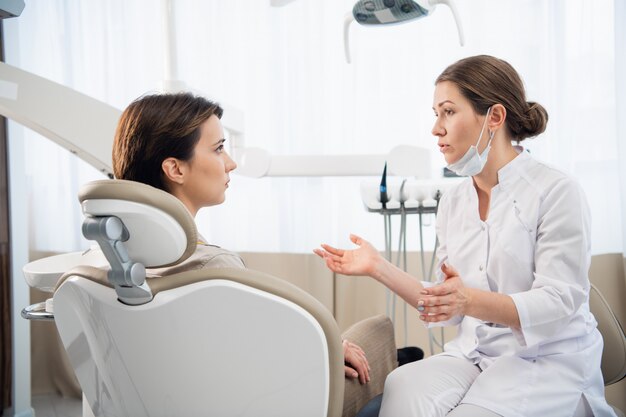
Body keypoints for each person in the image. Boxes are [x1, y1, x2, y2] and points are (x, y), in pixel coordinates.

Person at [314, 55, 616, 417]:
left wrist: (467, 300)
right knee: (403, 384)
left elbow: (557, 303)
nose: (435, 129)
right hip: (475, 353)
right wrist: (377, 266)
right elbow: (450, 306)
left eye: (448, 112)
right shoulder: (454, 202)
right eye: (435, 113)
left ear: (495, 117)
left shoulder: (555, 191)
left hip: (546, 359)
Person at [111, 92, 372, 388]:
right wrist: (328, 348)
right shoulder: (213, 267)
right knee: (378, 332)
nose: (231, 163)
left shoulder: (115, 262)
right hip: (279, 397)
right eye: (219, 149)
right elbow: (261, 359)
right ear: (175, 169)